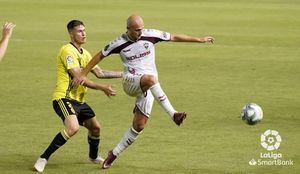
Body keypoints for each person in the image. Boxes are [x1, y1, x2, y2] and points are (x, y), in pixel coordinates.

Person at [77, 15, 215, 169]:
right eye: (136, 30)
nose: (140, 33)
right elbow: (98, 56)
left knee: (139, 126)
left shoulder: (151, 35)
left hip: (149, 87)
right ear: (128, 29)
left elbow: (174, 37)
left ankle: (113, 154)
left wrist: (200, 39)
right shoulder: (119, 43)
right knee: (151, 79)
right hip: (130, 82)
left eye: (141, 29)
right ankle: (174, 114)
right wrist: (82, 74)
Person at [33, 20, 123, 173]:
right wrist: (102, 88)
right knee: (73, 128)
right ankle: (43, 158)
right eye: (80, 31)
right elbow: (79, 77)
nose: (84, 33)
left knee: (95, 128)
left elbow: (100, 73)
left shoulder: (85, 54)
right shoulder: (67, 51)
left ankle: (93, 157)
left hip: (79, 101)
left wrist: (124, 74)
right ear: (71, 34)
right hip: (64, 98)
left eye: (84, 30)